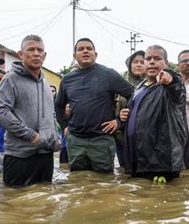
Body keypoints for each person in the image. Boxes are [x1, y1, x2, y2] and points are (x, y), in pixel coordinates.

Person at [55, 38, 134, 173]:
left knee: (104, 185)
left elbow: (133, 94)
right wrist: (64, 127)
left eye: (89, 48)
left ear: (95, 54)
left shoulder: (109, 74)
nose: (85, 51)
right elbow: (58, 105)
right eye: (81, 49)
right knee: (77, 183)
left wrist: (119, 121)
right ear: (75, 56)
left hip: (102, 140)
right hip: (76, 141)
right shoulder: (67, 79)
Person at [0, 35, 59, 187]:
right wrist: (31, 136)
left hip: (45, 154)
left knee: (44, 203)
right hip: (20, 156)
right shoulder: (10, 79)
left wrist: (55, 136)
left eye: (40, 50)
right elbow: (1, 113)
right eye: (31, 49)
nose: (36, 53)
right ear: (20, 54)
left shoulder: (44, 82)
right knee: (16, 206)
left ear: (45, 55)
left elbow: (52, 113)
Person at [120, 45, 188, 182]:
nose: (152, 62)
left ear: (166, 63)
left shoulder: (168, 85)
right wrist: (124, 116)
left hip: (161, 163)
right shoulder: (138, 88)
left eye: (157, 58)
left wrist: (170, 80)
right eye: (148, 59)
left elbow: (177, 87)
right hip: (138, 161)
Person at [114, 50, 145, 167]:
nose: (139, 64)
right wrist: (118, 118)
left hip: (145, 138)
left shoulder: (154, 84)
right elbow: (111, 108)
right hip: (121, 137)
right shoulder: (118, 84)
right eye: (135, 62)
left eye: (142, 62)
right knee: (124, 172)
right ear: (129, 65)